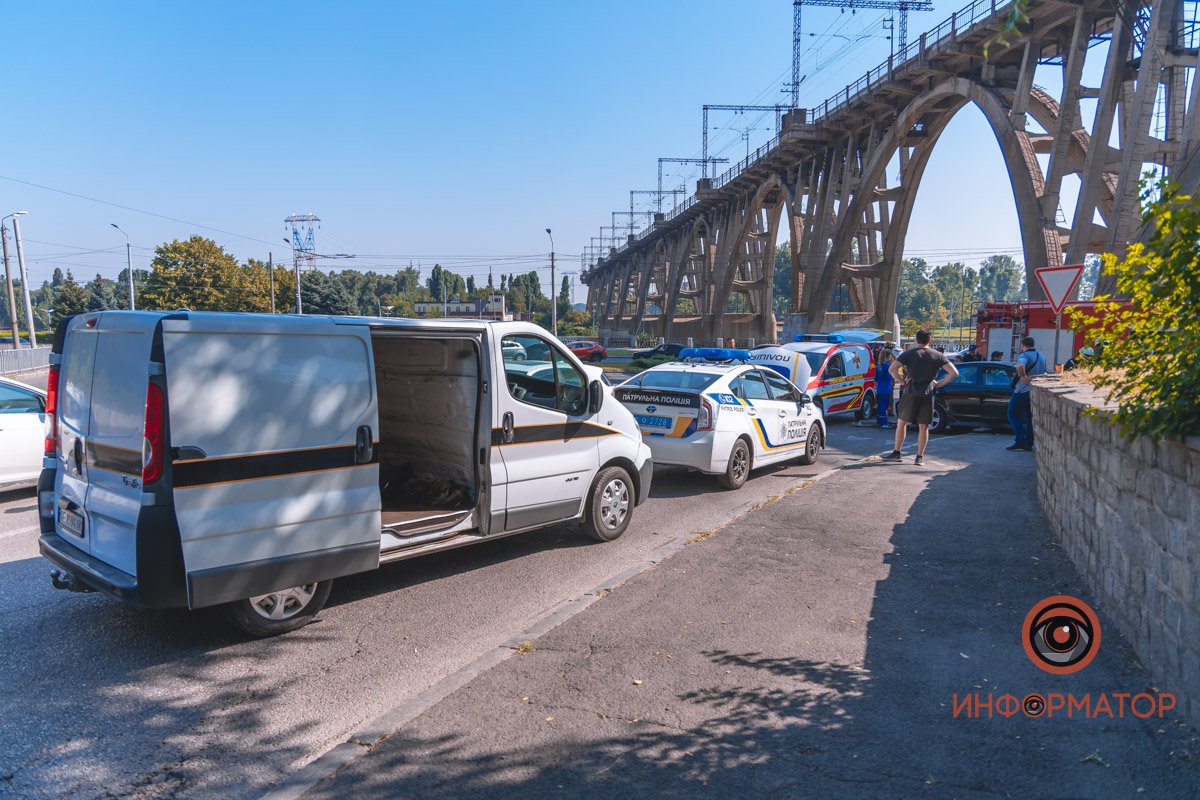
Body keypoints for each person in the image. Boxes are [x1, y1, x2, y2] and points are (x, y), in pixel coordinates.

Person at [883, 330, 958, 466]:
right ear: (930, 340)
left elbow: (892, 369)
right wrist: (938, 384)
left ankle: (897, 452)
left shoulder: (909, 354)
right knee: (924, 426)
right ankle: (919, 457)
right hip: (928, 391)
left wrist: (902, 381)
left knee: (902, 423)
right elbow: (954, 373)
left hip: (911, 390)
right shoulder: (938, 355)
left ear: (917, 340)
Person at [1007, 336, 1047, 451]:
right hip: (1034, 391)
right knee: (1030, 418)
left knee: (1012, 414)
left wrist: (1024, 376)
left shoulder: (1024, 355)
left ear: (1023, 345)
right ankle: (1029, 443)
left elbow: (1020, 366)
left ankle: (1020, 440)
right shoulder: (1042, 357)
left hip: (1022, 390)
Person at [875, 347, 895, 428]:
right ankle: (883, 423)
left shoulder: (879, 365)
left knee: (880, 405)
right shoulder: (887, 366)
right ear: (888, 356)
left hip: (880, 387)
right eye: (890, 356)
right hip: (886, 388)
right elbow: (890, 378)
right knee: (884, 406)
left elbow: (876, 378)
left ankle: (880, 421)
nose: (891, 357)